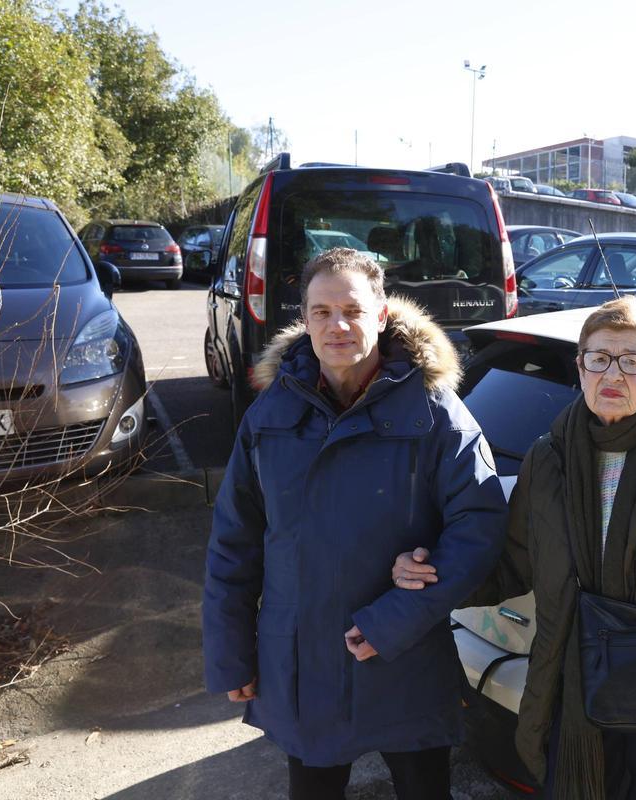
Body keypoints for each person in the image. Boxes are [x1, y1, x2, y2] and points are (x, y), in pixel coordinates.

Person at [394, 295, 636, 799]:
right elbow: (512, 565)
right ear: (581, 366)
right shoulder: (548, 459)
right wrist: (434, 573)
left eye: (631, 361)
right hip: (573, 695)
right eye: (599, 359)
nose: (612, 374)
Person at [202, 247, 507, 800]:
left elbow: (478, 525)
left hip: (403, 652)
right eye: (321, 311)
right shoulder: (270, 416)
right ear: (305, 319)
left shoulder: (435, 412)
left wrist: (397, 615)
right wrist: (231, 650)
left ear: (383, 315)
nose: (337, 325)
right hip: (301, 657)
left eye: (353, 309)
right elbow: (234, 542)